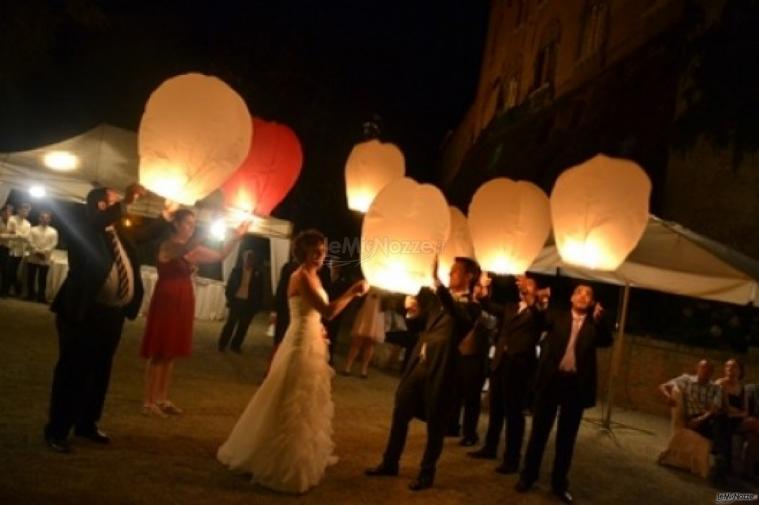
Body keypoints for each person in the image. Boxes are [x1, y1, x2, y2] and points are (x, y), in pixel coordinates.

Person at [217, 229, 368, 494]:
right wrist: (352, 292)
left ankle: (298, 457)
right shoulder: (300, 276)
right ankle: (280, 462)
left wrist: (319, 328)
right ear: (304, 253)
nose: (321, 256)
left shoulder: (314, 276)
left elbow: (317, 315)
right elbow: (329, 311)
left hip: (312, 340)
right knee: (290, 401)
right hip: (299, 345)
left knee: (307, 401)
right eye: (316, 251)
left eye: (323, 251)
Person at [45, 185, 171, 453]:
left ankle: (86, 424)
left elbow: (145, 234)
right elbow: (96, 221)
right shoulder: (84, 227)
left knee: (100, 372)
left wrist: (166, 216)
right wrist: (126, 198)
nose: (122, 204)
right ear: (101, 205)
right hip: (84, 312)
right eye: (113, 199)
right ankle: (56, 430)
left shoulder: (119, 233)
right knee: (73, 373)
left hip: (112, 315)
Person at [365, 257, 481, 491]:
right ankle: (390, 463)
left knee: (435, 425)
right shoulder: (440, 301)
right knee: (400, 412)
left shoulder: (471, 306)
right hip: (419, 364)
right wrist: (409, 311)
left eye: (456, 271)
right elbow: (418, 326)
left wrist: (437, 285)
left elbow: (457, 314)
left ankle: (426, 474)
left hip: (441, 370)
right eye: (450, 271)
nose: (450, 275)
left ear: (469, 276)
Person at [141, 209, 246, 416]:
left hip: (183, 300)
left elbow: (221, 255)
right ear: (176, 224)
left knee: (171, 353)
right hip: (167, 300)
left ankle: (162, 398)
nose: (192, 227)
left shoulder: (193, 250)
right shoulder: (168, 245)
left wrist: (236, 237)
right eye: (188, 223)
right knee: (160, 351)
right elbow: (182, 250)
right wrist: (208, 230)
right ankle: (149, 401)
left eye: (194, 223)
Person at [516, 283, 612, 504]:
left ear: (592, 302)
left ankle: (559, 485)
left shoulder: (594, 325)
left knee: (566, 440)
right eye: (579, 292)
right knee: (539, 433)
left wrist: (601, 320)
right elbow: (539, 320)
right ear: (571, 297)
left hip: (575, 387)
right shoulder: (556, 316)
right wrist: (534, 305)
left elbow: (606, 341)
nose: (583, 296)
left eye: (588, 294)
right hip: (551, 382)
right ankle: (527, 477)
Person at [469, 275, 549, 475]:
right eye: (522, 284)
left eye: (529, 284)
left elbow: (541, 321)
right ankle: (490, 447)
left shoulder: (539, 310)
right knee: (496, 409)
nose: (523, 286)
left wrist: (532, 299)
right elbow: (490, 307)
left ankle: (512, 459)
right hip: (500, 363)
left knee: (514, 413)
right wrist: (482, 293)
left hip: (519, 366)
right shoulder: (511, 306)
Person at [448, 275, 498, 447]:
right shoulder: (464, 304)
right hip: (459, 352)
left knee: (471, 397)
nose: (474, 289)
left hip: (476, 357)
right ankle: (452, 425)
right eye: (474, 285)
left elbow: (488, 323)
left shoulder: (489, 309)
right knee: (454, 391)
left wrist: (480, 297)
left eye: (478, 286)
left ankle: (471, 433)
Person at [217, 249, 265, 353]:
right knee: (230, 324)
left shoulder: (258, 273)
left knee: (243, 326)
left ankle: (236, 346)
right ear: (243, 259)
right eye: (248, 258)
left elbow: (260, 290)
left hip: (249, 303)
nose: (249, 261)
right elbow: (230, 286)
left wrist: (257, 305)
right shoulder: (236, 270)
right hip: (236, 301)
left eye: (251, 259)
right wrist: (230, 298)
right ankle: (222, 344)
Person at [342, 287, 385, 378]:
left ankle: (364, 369)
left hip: (378, 312)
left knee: (370, 343)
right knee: (357, 341)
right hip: (365, 309)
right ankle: (348, 367)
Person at [267, 256, 299, 372]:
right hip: (285, 310)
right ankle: (270, 371)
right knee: (279, 342)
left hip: (300, 314)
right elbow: (281, 289)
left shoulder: (317, 271)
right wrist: (274, 311)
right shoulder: (289, 267)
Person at [26, 211, 59, 303]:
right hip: (33, 257)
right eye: (43, 217)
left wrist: (43, 252)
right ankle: (30, 295)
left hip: (45, 258)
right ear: (39, 218)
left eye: (47, 218)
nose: (45, 219)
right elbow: (29, 241)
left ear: (50, 219)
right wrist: (37, 251)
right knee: (31, 277)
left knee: (43, 279)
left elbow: (54, 243)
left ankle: (41, 297)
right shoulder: (33, 229)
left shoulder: (53, 231)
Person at [3, 202, 31, 297]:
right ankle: (7, 290)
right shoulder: (11, 219)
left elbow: (26, 237)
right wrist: (18, 235)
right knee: (7, 270)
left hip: (19, 251)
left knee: (13, 271)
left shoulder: (28, 224)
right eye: (24, 210)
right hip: (8, 247)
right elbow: (9, 232)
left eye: (27, 211)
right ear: (19, 210)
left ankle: (10, 290)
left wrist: (16, 233)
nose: (25, 212)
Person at [0, 204, 14, 297]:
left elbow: (16, 236)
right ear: (1, 212)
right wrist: (9, 234)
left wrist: (4, 235)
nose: (7, 213)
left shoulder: (12, 223)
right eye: (6, 211)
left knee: (5, 271)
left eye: (9, 212)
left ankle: (4, 292)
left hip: (6, 248)